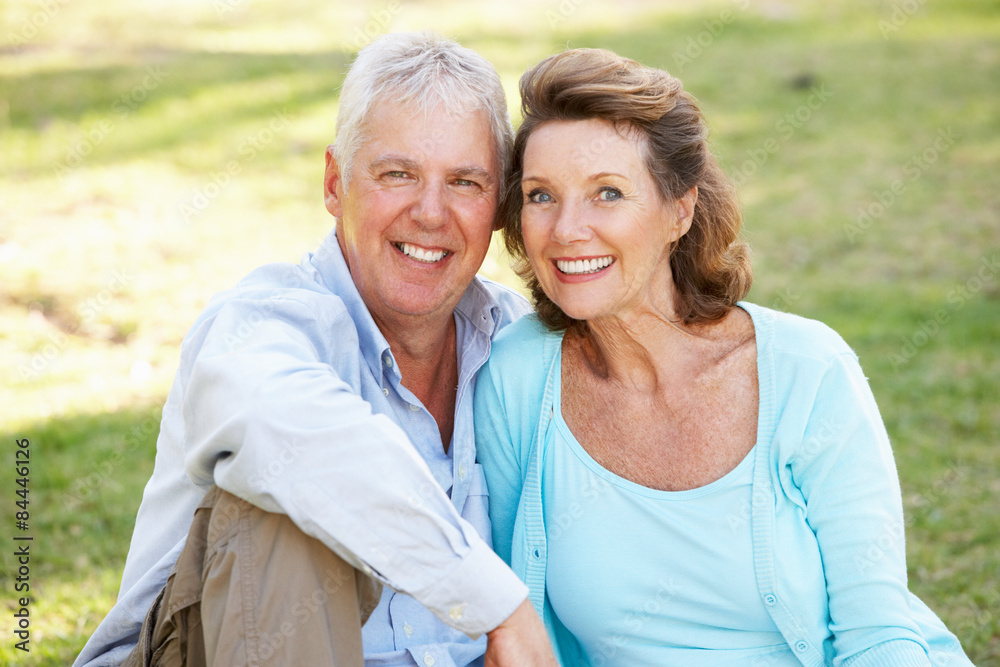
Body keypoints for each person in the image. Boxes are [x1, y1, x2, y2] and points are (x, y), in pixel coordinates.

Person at [474, 48, 973, 666]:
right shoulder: (517, 378)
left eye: (607, 192)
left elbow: (878, 633)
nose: (567, 229)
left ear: (678, 212)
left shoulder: (805, 371)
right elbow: (507, 624)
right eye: (541, 195)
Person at [75, 32, 557, 667]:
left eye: (465, 182)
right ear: (335, 183)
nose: (431, 213)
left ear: (497, 206)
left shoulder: (516, 341)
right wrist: (495, 604)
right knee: (277, 514)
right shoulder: (259, 325)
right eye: (397, 174)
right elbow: (294, 442)